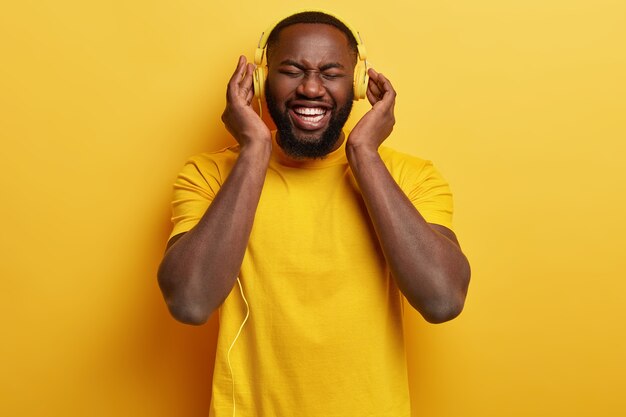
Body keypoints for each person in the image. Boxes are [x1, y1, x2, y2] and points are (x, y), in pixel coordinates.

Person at [158, 10, 470, 417]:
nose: (310, 88)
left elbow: (443, 300)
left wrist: (364, 155)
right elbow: (189, 302)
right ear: (259, 79)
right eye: (291, 70)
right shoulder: (208, 175)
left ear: (358, 84)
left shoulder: (411, 177)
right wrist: (254, 150)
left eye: (331, 73)